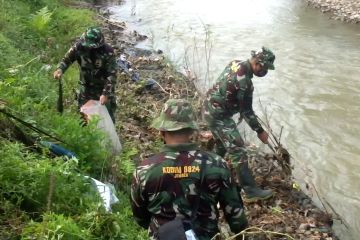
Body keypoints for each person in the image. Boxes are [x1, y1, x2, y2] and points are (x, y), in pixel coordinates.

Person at [131, 99, 247, 240]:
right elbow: (236, 218)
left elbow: (140, 217)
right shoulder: (218, 164)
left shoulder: (144, 170)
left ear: (162, 132)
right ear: (192, 131)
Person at [203, 47, 276, 202]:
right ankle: (251, 191)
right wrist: (260, 131)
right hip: (218, 116)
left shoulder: (235, 63)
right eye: (265, 69)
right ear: (257, 63)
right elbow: (247, 112)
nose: (265, 73)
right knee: (238, 150)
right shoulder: (246, 83)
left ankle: (208, 172)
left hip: (208, 107)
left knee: (222, 144)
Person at [53, 27, 117, 122]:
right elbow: (67, 59)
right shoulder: (79, 47)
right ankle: (87, 134)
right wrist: (60, 69)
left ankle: (106, 135)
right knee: (84, 116)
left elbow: (112, 75)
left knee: (106, 118)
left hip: (103, 88)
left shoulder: (108, 52)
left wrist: (106, 93)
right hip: (86, 88)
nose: (89, 48)